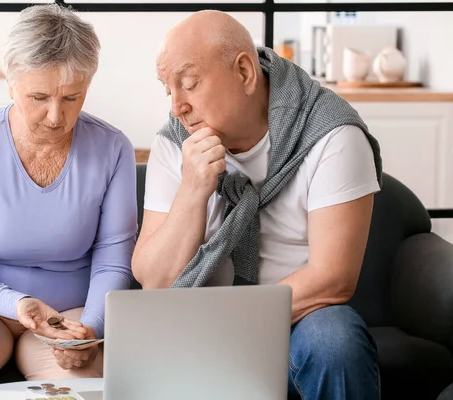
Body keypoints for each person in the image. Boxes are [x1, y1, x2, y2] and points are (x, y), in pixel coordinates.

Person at [132, 10, 382, 400]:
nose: (176, 106)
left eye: (189, 84)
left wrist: (235, 320)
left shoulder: (332, 135)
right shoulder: (175, 141)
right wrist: (193, 190)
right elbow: (156, 281)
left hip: (299, 319)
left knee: (335, 339)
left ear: (245, 72)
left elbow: (333, 279)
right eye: (168, 90)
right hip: (197, 319)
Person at [0, 4, 137, 394]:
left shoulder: (113, 147)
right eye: (39, 97)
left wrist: (91, 330)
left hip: (73, 315)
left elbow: (112, 259)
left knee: (85, 390)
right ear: (10, 83)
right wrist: (18, 304)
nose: (56, 116)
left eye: (72, 98)